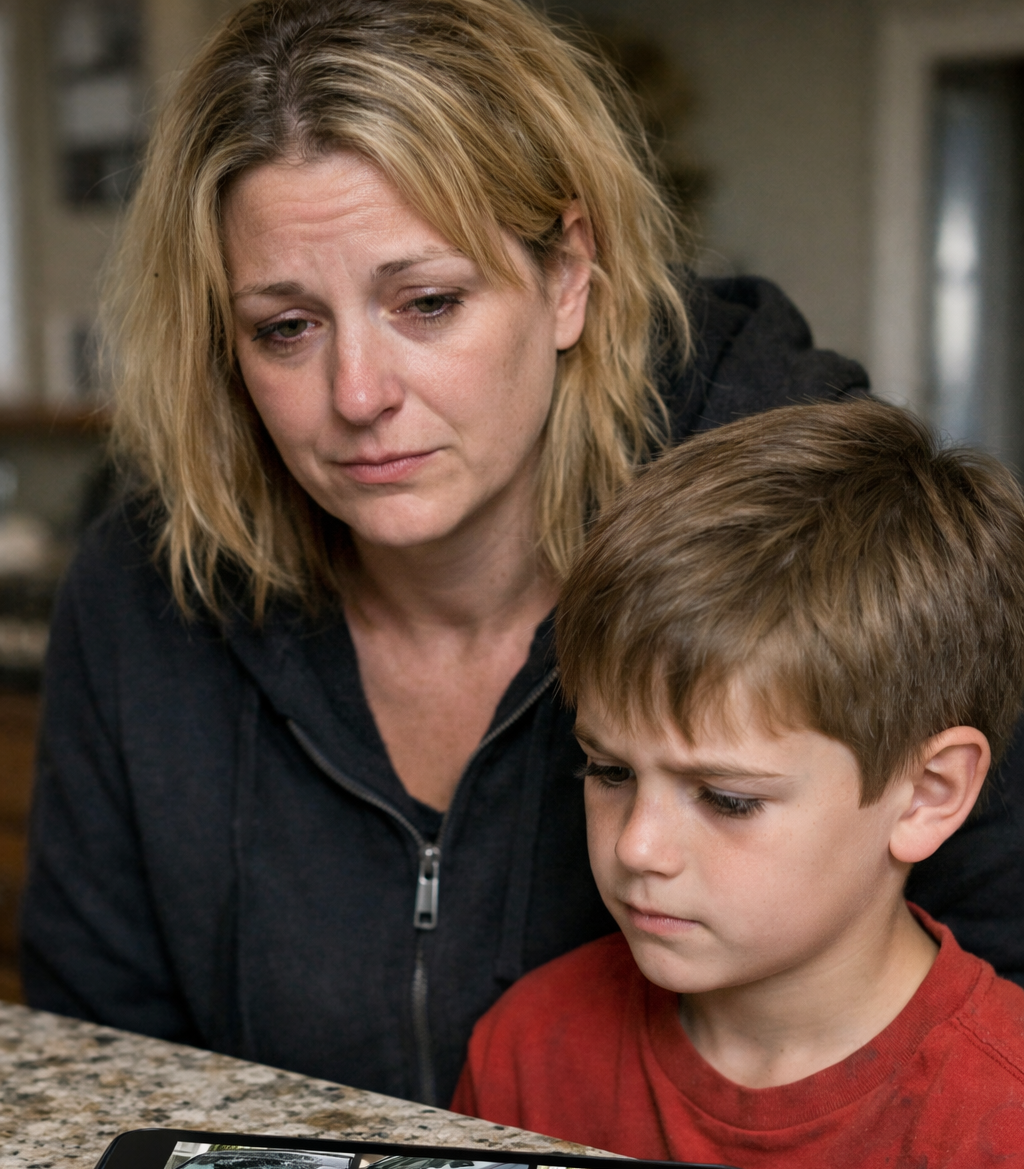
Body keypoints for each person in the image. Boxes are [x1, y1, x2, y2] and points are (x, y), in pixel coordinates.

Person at [19, 0, 1018, 1108]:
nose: (358, 395)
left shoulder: (811, 537)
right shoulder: (145, 590)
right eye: (285, 328)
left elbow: (996, 989)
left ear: (567, 275)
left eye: (427, 303)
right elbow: (103, 1067)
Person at [451, 399, 1024, 1169]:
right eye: (609, 771)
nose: (638, 848)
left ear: (927, 794)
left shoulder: (1000, 1142)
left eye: (724, 797)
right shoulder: (529, 1047)